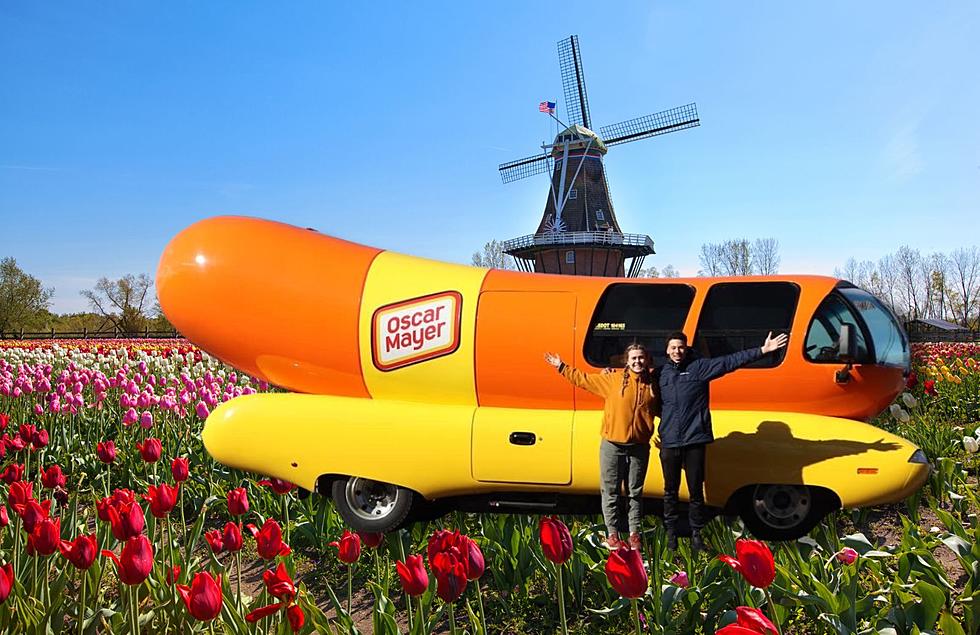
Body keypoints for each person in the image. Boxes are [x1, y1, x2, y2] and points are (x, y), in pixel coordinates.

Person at [658, 330, 789, 552]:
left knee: (696, 490)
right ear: (667, 350)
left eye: (680, 347)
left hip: (694, 438)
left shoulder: (699, 368)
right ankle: (670, 534)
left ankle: (696, 534)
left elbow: (730, 362)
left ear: (686, 348)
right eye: (673, 348)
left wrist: (763, 350)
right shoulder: (660, 374)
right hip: (670, 440)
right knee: (670, 490)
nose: (677, 351)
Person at [544, 344, 660, 552]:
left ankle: (634, 534)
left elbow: (665, 410)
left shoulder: (653, 385)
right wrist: (561, 366)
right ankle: (612, 534)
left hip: (639, 446)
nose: (637, 362)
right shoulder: (612, 380)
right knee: (611, 491)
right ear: (626, 360)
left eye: (641, 358)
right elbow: (584, 380)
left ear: (647, 360)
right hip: (612, 444)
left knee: (635, 492)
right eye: (633, 358)